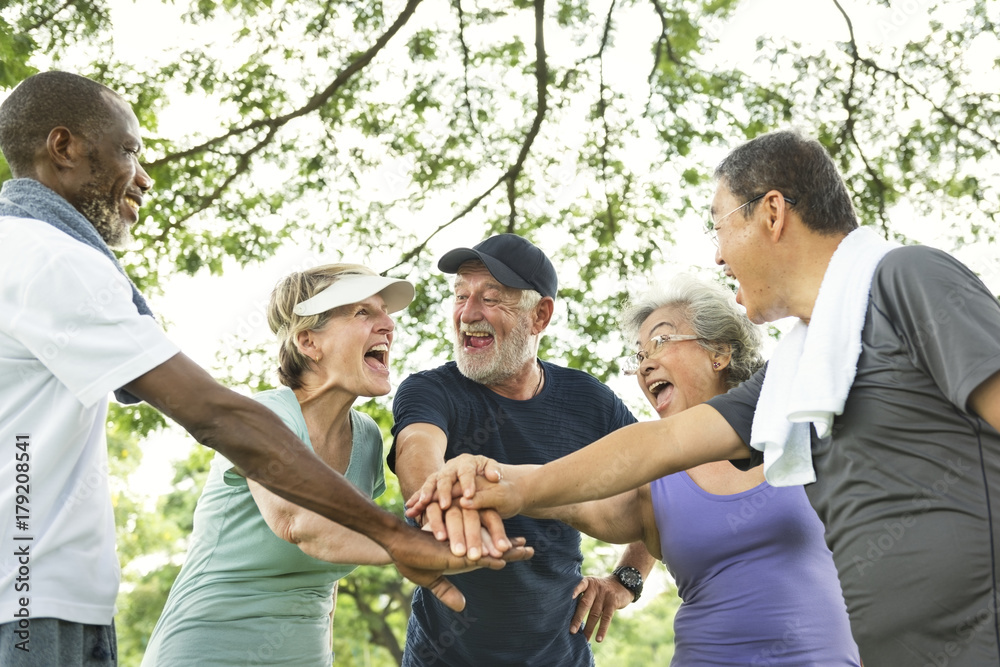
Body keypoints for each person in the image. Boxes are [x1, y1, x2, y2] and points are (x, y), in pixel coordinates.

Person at [410, 129, 1000, 666]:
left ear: (772, 212)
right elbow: (662, 443)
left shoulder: (906, 278)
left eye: (719, 224)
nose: (718, 255)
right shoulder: (793, 382)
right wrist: (505, 482)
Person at [0, 71, 525, 667]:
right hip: (27, 595)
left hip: (59, 596)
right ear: (63, 148)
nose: (145, 178)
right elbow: (218, 417)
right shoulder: (47, 257)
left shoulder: (40, 257)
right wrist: (401, 539)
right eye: (130, 150)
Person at [141, 264, 527, 665]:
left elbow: (330, 568)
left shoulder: (367, 438)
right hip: (206, 650)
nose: (387, 325)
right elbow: (301, 525)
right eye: (363, 312)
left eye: (384, 312)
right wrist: (415, 547)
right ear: (309, 341)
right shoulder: (266, 416)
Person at [476, 274, 859, 665]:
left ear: (720, 353)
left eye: (660, 341)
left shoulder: (797, 427)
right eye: (639, 356)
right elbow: (565, 498)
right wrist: (483, 476)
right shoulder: (652, 482)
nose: (645, 366)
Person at [389, 233, 649, 665]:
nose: (467, 313)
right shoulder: (430, 389)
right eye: (460, 296)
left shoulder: (589, 400)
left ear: (540, 316)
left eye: (490, 298)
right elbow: (417, 448)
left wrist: (627, 579)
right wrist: (437, 502)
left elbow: (657, 485)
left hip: (560, 655)